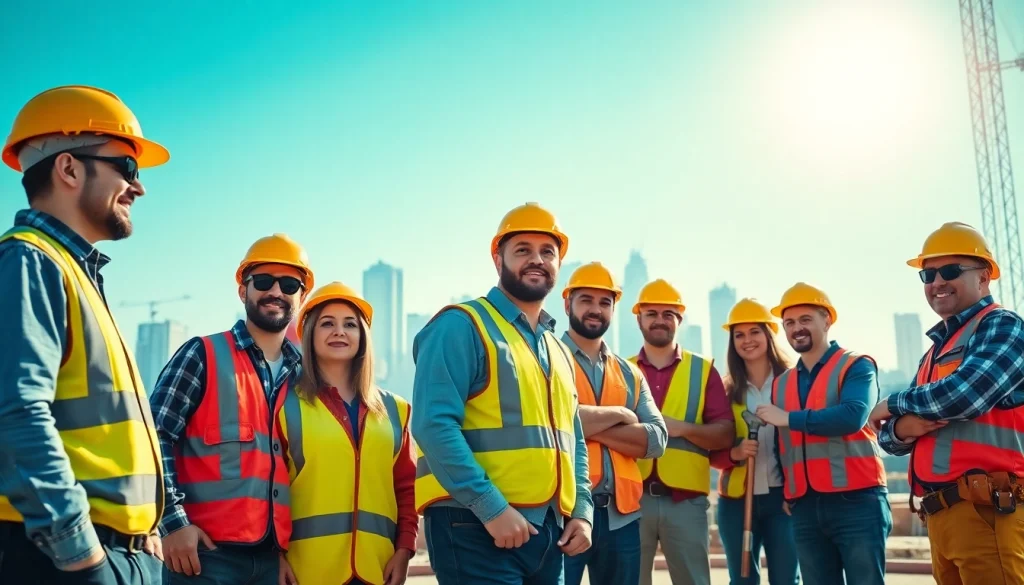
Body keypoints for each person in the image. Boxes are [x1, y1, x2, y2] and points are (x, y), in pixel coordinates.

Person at [0, 85, 169, 584]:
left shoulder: (73, 272)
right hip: (63, 562)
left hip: (118, 555)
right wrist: (81, 553)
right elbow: (16, 415)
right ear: (69, 169)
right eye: (128, 168)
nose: (139, 188)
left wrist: (143, 532)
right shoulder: (30, 261)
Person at [411, 202, 593, 585]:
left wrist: (582, 511)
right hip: (474, 526)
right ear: (498, 259)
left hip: (547, 531)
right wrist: (491, 509)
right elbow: (432, 426)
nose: (537, 260)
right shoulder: (461, 325)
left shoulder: (557, 349)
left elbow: (572, 437)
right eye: (522, 250)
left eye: (548, 252)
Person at [148, 234, 313, 584]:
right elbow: (152, 437)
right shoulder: (202, 354)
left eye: (289, 284)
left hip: (272, 561)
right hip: (205, 558)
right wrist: (172, 524)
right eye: (263, 282)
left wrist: (284, 553)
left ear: (302, 296)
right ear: (243, 291)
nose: (276, 292)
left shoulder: (303, 377)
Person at [869, 222, 1024, 584]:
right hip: (941, 517)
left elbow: (963, 396)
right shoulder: (935, 353)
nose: (936, 282)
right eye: (928, 273)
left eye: (951, 271)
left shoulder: (1003, 327)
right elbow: (887, 439)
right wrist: (905, 425)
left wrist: (893, 403)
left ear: (984, 278)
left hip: (988, 513)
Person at [277, 281, 417, 585]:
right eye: (327, 323)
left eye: (350, 324)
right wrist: (274, 556)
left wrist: (404, 549)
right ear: (309, 334)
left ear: (363, 337)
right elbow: (268, 488)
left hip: (377, 568)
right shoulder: (283, 406)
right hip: (305, 571)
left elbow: (406, 487)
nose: (339, 331)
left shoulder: (398, 409)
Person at [754, 282, 890, 585]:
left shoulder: (856, 365)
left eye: (805, 320)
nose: (796, 329)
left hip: (856, 499)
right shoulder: (782, 383)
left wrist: (788, 418)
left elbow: (853, 416)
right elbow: (782, 442)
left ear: (827, 320)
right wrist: (790, 490)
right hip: (804, 505)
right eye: (789, 323)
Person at [559, 262, 668, 585]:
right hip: (563, 516)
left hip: (622, 520)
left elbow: (656, 439)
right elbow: (550, 424)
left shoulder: (630, 372)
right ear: (567, 304)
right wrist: (621, 414)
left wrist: (587, 423)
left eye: (604, 302)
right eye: (586, 300)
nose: (596, 309)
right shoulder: (546, 358)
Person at [629, 279, 735, 585]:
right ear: (639, 319)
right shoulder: (621, 369)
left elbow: (725, 435)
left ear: (679, 319)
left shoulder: (703, 371)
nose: (659, 319)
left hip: (686, 502)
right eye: (651, 313)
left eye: (667, 313)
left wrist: (681, 429)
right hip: (631, 500)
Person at [711, 298, 799, 585]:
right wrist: (735, 453)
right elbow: (711, 450)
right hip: (736, 501)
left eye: (754, 332)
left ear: (768, 334)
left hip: (784, 501)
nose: (747, 340)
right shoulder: (725, 390)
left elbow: (805, 442)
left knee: (786, 578)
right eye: (739, 335)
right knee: (743, 579)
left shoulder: (794, 382)